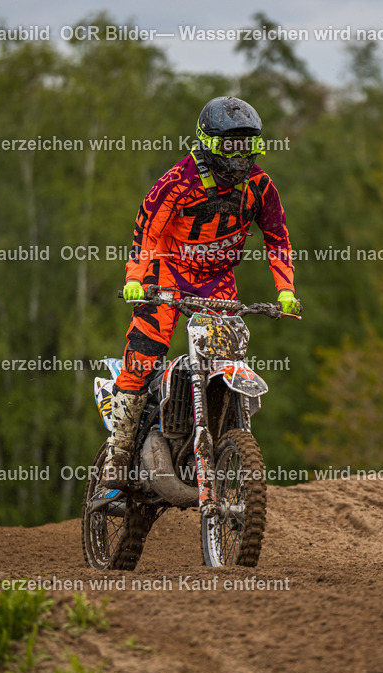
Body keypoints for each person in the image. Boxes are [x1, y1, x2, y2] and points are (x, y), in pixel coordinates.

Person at [101, 96, 301, 488]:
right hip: (168, 271)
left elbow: (277, 237)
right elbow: (147, 232)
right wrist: (135, 277)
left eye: (249, 144)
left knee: (226, 355)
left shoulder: (259, 187)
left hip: (216, 278)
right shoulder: (177, 182)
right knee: (145, 350)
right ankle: (119, 450)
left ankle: (213, 439)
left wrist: (286, 289)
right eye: (231, 144)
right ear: (208, 142)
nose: (241, 154)